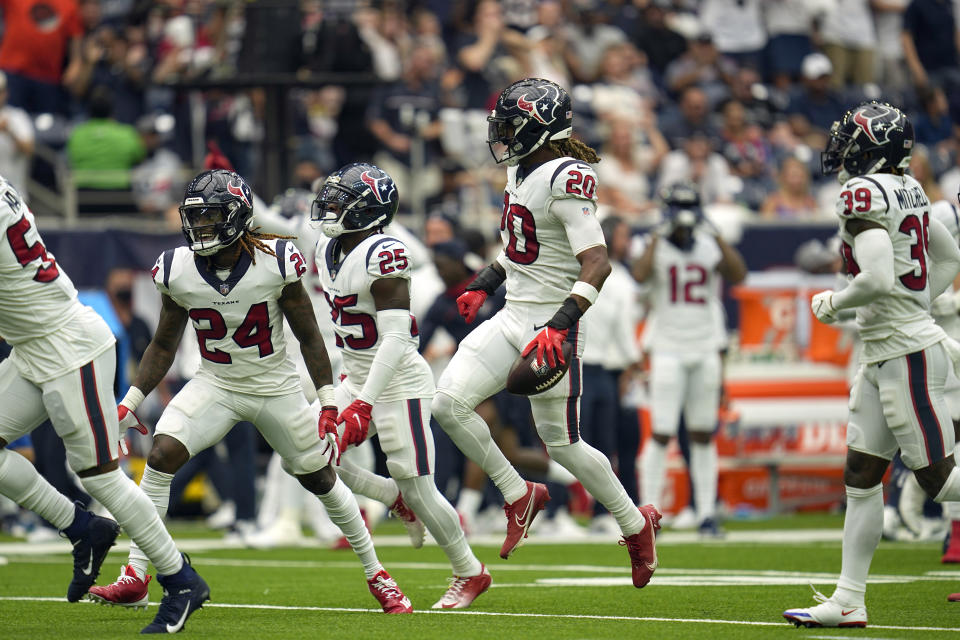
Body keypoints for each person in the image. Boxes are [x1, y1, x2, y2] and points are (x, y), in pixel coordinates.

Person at [87, 169, 412, 615]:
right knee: (161, 456)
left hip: (274, 387)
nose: (200, 228)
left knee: (319, 476)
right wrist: (129, 403)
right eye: (195, 218)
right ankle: (137, 574)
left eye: (211, 217)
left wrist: (328, 400)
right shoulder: (175, 269)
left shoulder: (276, 261)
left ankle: (378, 574)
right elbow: (163, 343)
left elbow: (309, 335)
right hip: (215, 383)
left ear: (238, 218)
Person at [432, 77, 661, 587]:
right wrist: (482, 284)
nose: (503, 135)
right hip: (512, 314)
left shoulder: (566, 176)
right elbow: (518, 249)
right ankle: (519, 493)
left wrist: (560, 326)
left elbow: (597, 262)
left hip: (549, 326)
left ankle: (633, 522)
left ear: (540, 128)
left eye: (511, 126)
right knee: (446, 404)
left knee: (563, 444)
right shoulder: (522, 169)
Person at [0, 175, 207, 634]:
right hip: (35, 348)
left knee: (102, 476)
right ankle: (81, 528)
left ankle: (181, 579)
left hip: (68, 348)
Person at [783, 101, 960, 627]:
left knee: (938, 479)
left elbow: (879, 276)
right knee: (862, 475)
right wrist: (919, 301)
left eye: (851, 139)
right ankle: (848, 599)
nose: (842, 148)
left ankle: (849, 597)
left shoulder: (864, 192)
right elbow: (949, 257)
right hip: (887, 350)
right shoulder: (909, 189)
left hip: (905, 351)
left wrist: (833, 303)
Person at [311, 162, 491, 609]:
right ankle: (393, 498)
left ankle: (470, 571)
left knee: (420, 485)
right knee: (308, 455)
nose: (330, 207)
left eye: (341, 201)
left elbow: (394, 336)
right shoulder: (323, 248)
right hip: (357, 375)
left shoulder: (383, 252)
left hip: (398, 383)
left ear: (366, 210)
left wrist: (364, 404)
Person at [633, 181, 747, 536]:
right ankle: (648, 511)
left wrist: (716, 235)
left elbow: (738, 275)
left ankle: (707, 512)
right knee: (662, 432)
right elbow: (639, 276)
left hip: (704, 348)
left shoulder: (709, 243)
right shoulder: (653, 243)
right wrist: (657, 235)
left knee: (701, 434)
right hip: (667, 347)